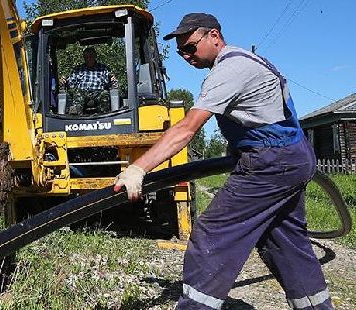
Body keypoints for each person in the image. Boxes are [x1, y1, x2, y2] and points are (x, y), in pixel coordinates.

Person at [114, 13, 333, 310]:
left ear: (214, 36)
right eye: (181, 52)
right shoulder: (248, 62)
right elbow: (263, 118)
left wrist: (139, 168)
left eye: (191, 47)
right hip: (293, 158)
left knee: (212, 234)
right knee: (284, 241)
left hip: (271, 163)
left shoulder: (230, 69)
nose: (186, 56)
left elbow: (187, 129)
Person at [61, 47, 118, 114]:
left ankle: (104, 116)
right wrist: (64, 80)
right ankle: (76, 115)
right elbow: (71, 83)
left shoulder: (103, 68)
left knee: (104, 94)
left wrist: (112, 78)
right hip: (82, 91)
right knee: (77, 94)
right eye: (86, 57)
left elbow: (111, 78)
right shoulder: (78, 69)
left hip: (99, 91)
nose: (88, 59)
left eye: (90, 56)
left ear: (95, 56)